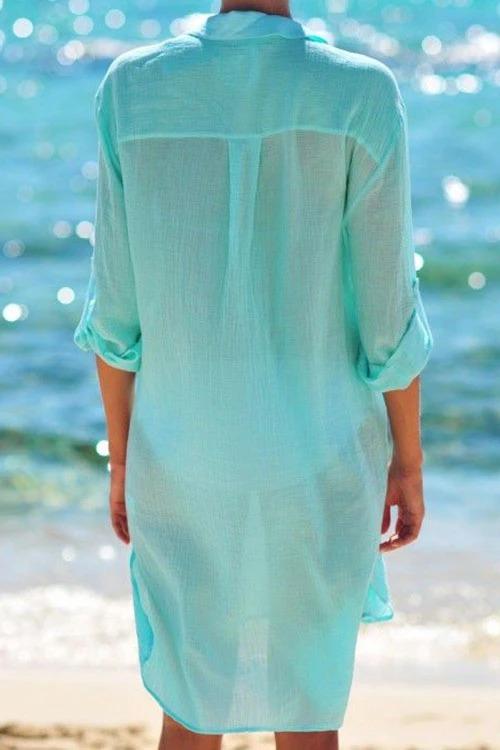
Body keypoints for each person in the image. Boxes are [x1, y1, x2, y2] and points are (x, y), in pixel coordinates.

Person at [73, 0, 434, 747]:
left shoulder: (131, 88)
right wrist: (408, 460)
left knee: (188, 717)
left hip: (180, 458)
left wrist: (123, 459)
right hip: (320, 460)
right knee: (308, 720)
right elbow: (388, 317)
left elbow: (117, 315)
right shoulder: (361, 92)